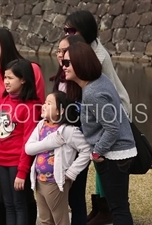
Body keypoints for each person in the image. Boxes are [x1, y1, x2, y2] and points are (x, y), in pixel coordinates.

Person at [64, 10, 132, 225]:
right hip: (114, 149)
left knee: (119, 208)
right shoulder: (93, 83)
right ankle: (101, 209)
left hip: (115, 151)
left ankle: (103, 210)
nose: (63, 67)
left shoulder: (93, 90)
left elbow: (111, 128)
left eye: (67, 63)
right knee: (117, 205)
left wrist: (96, 152)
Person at [0, 28, 44, 225]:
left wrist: (23, 168)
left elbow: (36, 117)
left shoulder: (30, 71)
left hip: (20, 155)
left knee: (21, 201)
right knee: (6, 201)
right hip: (2, 154)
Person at [25, 91, 91, 225]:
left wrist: (72, 172)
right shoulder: (41, 125)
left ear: (60, 111)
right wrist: (51, 142)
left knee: (60, 220)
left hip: (55, 182)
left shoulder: (68, 131)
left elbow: (87, 150)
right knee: (45, 220)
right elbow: (28, 149)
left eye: (49, 104)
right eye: (44, 102)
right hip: (39, 181)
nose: (44, 105)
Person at [0, 59, 41, 225]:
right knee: (8, 204)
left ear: (23, 79)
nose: (6, 82)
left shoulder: (30, 107)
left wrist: (22, 172)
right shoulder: (4, 101)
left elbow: (28, 142)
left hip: (17, 163)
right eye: (5, 77)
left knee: (19, 204)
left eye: (10, 78)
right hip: (1, 161)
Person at [52, 35, 89, 225]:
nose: (60, 55)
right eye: (59, 51)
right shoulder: (60, 78)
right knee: (57, 195)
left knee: (76, 196)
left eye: (64, 51)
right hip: (59, 142)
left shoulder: (83, 82)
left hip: (78, 144)